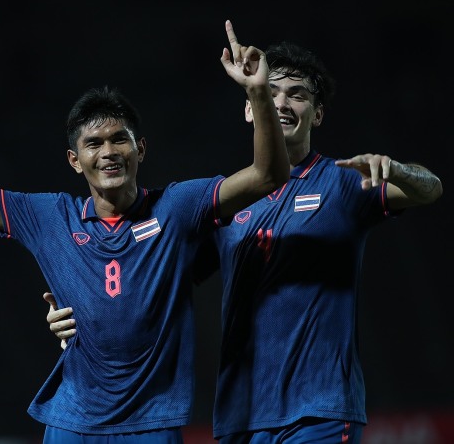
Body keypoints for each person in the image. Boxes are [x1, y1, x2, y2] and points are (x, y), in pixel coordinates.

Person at [0, 20, 289, 442]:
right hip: (72, 425)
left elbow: (268, 175)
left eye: (120, 140)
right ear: (74, 160)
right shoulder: (51, 218)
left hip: (151, 426)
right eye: (94, 143)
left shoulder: (177, 208)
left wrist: (257, 92)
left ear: (140, 149)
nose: (109, 152)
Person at [44, 40, 444, 443]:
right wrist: (73, 313)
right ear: (251, 108)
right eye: (270, 92)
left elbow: (430, 189)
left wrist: (400, 171)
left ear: (317, 114)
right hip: (240, 416)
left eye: (298, 95)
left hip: (317, 411)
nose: (283, 103)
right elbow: (144, 287)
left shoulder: (344, 181)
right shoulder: (226, 206)